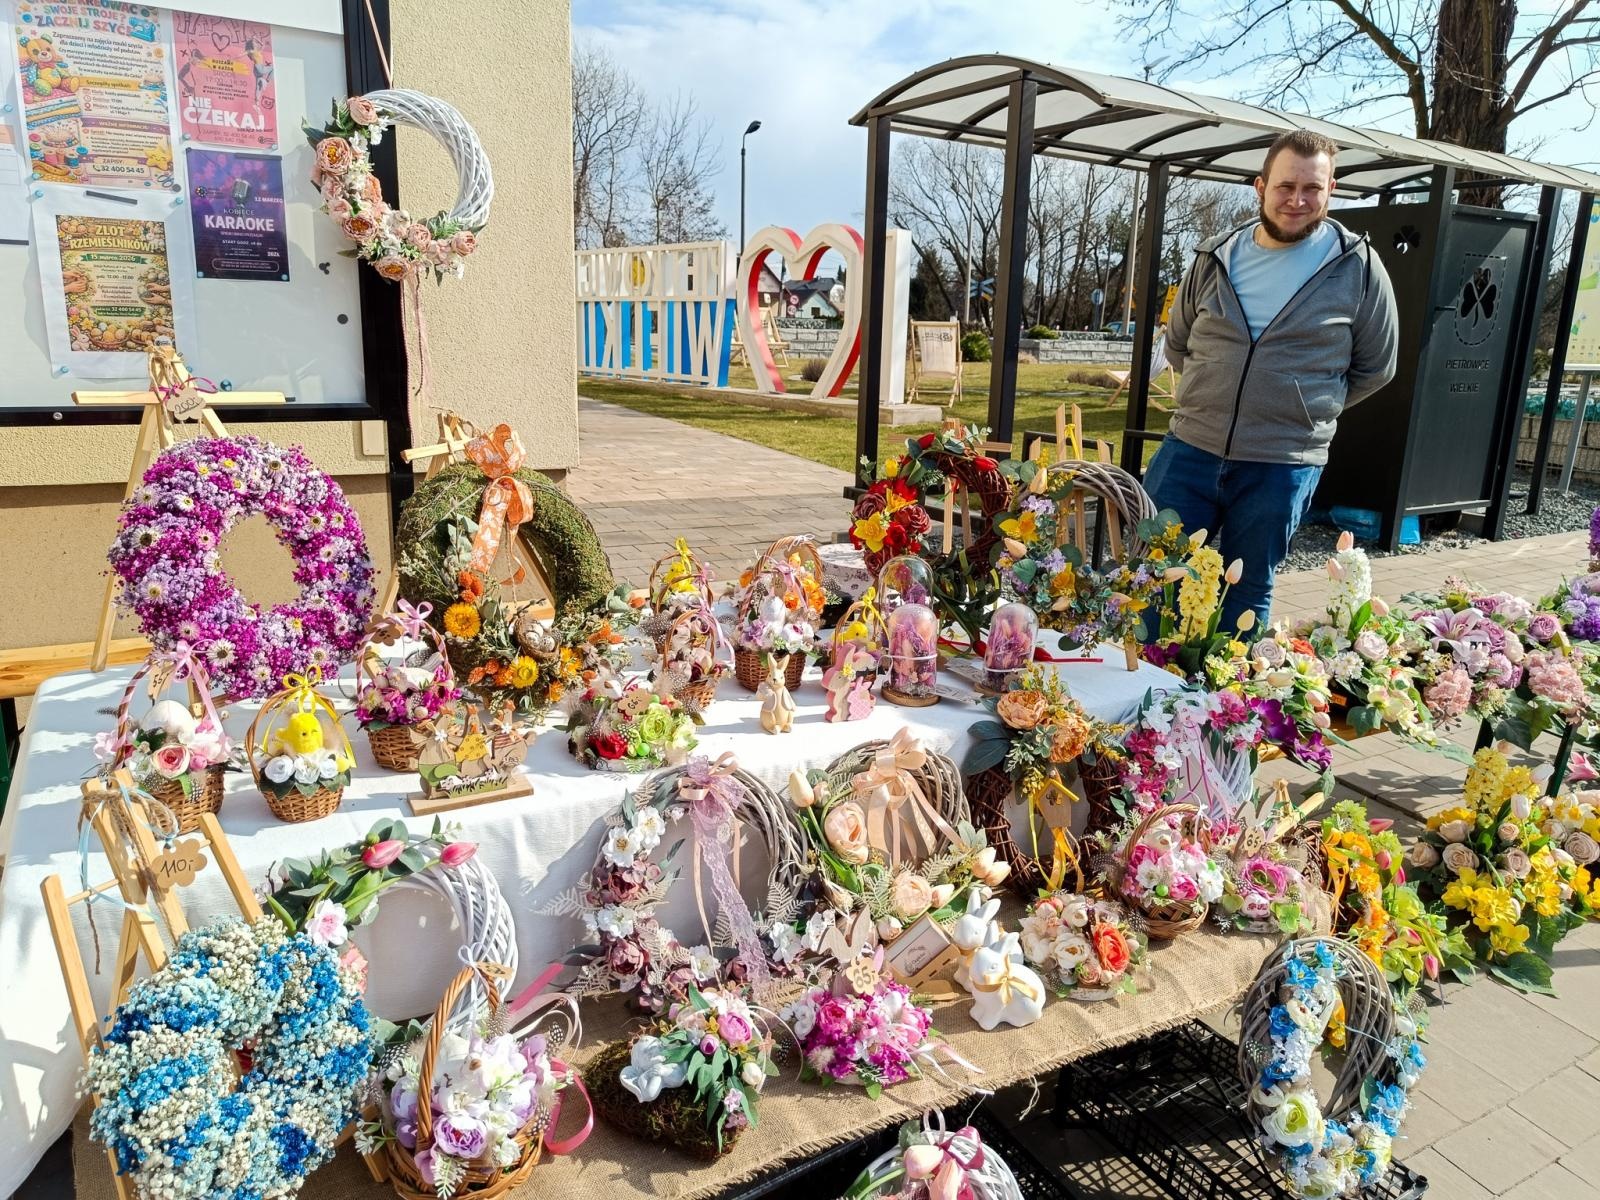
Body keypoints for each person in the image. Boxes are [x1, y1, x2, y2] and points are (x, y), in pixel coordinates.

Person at [1143, 128, 1398, 630]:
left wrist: (1303, 411)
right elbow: (1178, 342)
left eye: (1312, 188)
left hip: (1282, 465)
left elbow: (1377, 367)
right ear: (1260, 187)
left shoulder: (1359, 268)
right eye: (1285, 186)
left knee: (1247, 589)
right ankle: (1143, 677)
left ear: (1331, 190)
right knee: (1153, 579)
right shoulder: (1215, 256)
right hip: (1190, 450)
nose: (1297, 200)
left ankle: (1227, 684)